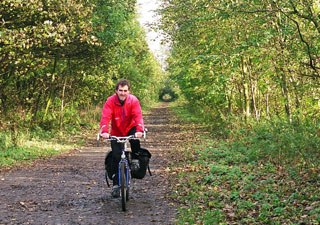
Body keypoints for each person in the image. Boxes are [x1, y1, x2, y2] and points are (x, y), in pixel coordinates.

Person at [100, 79, 144, 198]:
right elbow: (105, 117)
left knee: (135, 139)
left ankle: (135, 159)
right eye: (120, 90)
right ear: (116, 91)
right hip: (116, 131)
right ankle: (115, 185)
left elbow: (138, 116)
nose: (122, 93)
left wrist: (140, 130)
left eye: (125, 91)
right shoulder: (110, 101)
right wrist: (104, 132)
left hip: (131, 127)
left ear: (128, 91)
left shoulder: (133, 101)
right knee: (116, 156)